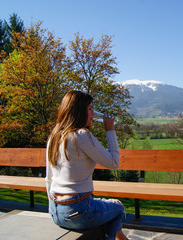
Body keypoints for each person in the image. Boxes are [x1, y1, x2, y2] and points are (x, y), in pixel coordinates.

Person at [45, 90, 129, 240]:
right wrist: (110, 130)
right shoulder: (82, 135)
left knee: (104, 206)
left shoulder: (54, 136)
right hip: (79, 213)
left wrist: (55, 208)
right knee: (118, 208)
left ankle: (122, 238)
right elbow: (114, 162)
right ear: (78, 111)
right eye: (90, 109)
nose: (92, 114)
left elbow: (48, 178)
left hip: (55, 211)